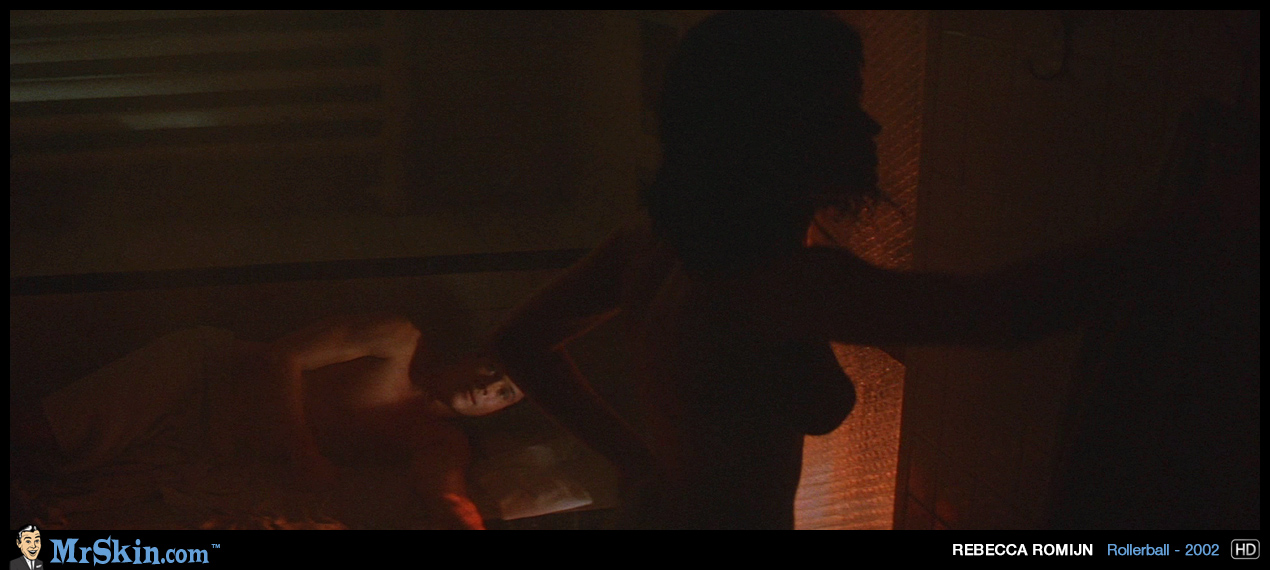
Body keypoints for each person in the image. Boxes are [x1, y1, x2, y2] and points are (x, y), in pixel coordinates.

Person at [485, 11, 1237, 529]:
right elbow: (1005, 313)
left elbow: (519, 341)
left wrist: (639, 464)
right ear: (781, 129)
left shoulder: (648, 245)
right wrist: (1207, 217)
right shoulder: (782, 283)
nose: (872, 124)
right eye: (844, 105)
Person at [19, 314, 523, 530]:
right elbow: (282, 357)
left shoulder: (438, 441)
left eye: (505, 393)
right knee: (39, 437)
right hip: (202, 380)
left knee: (63, 517)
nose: (488, 388)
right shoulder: (398, 341)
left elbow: (447, 495)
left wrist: (463, 521)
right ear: (475, 356)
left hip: (204, 448)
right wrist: (304, 452)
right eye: (492, 371)